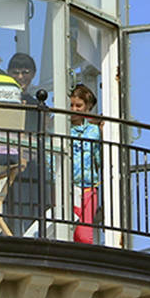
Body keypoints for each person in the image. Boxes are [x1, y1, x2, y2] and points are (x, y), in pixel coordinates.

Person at [2, 52, 47, 236]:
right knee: (8, 204)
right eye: (16, 72)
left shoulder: (37, 104)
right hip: (8, 161)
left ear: (34, 73)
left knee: (30, 205)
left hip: (32, 164)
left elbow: (40, 133)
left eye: (25, 72)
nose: (21, 77)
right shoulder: (2, 102)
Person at [67, 84, 102, 244]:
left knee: (84, 235)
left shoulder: (93, 131)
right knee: (71, 231)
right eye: (71, 105)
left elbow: (98, 157)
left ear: (87, 107)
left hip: (89, 187)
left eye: (78, 105)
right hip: (68, 187)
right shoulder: (63, 129)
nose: (74, 109)